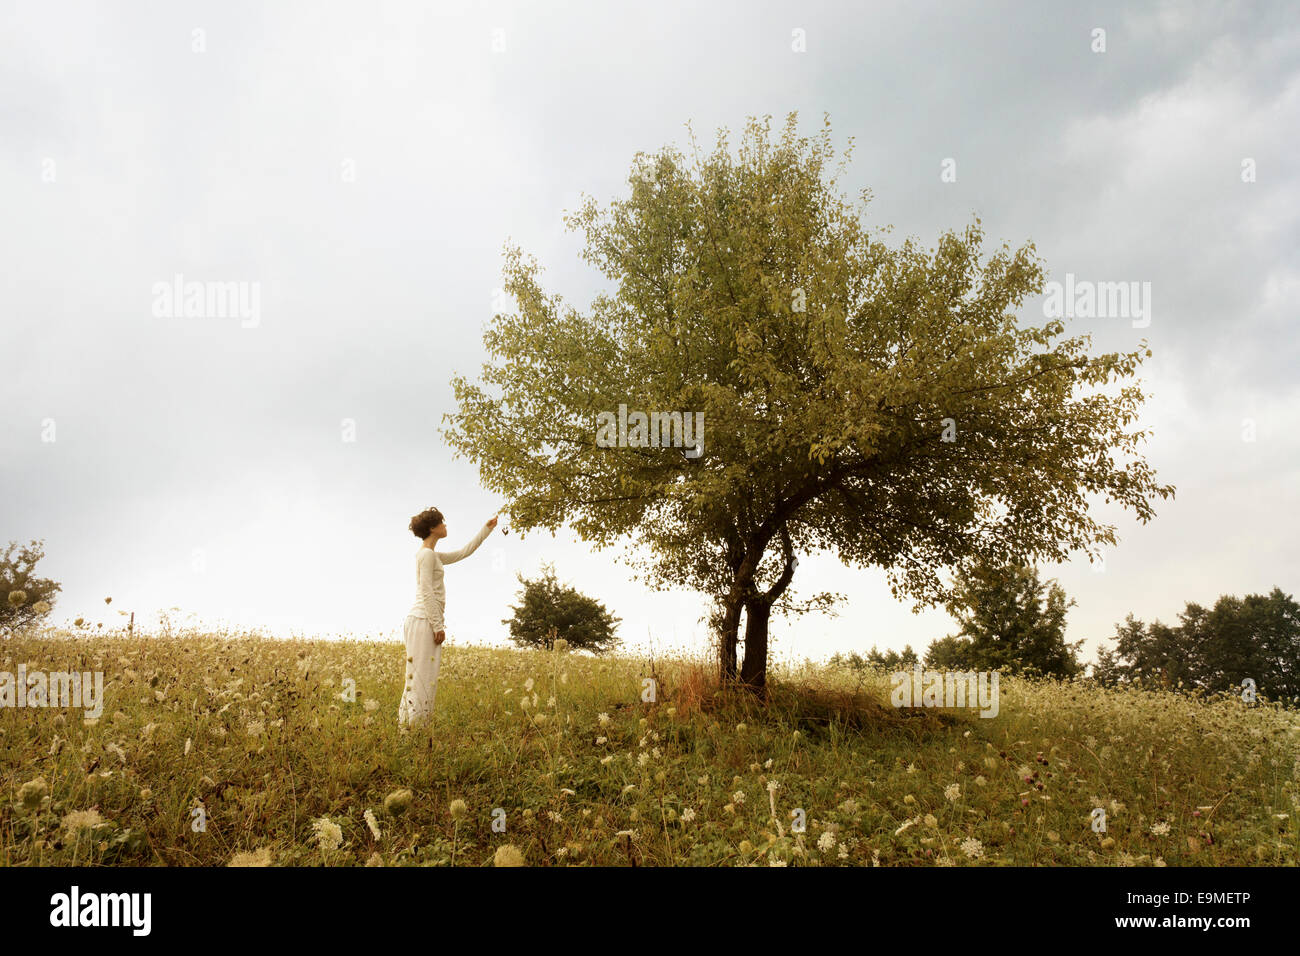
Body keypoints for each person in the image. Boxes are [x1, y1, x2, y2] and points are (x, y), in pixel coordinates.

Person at [399, 507, 497, 729]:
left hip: (424, 620)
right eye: (442, 523)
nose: (445, 526)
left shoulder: (432, 555)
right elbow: (426, 591)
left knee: (422, 678)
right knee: (421, 679)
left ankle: (411, 728)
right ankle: (412, 730)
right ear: (433, 528)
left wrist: (486, 529)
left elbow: (464, 552)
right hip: (423, 620)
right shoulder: (425, 555)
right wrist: (437, 625)